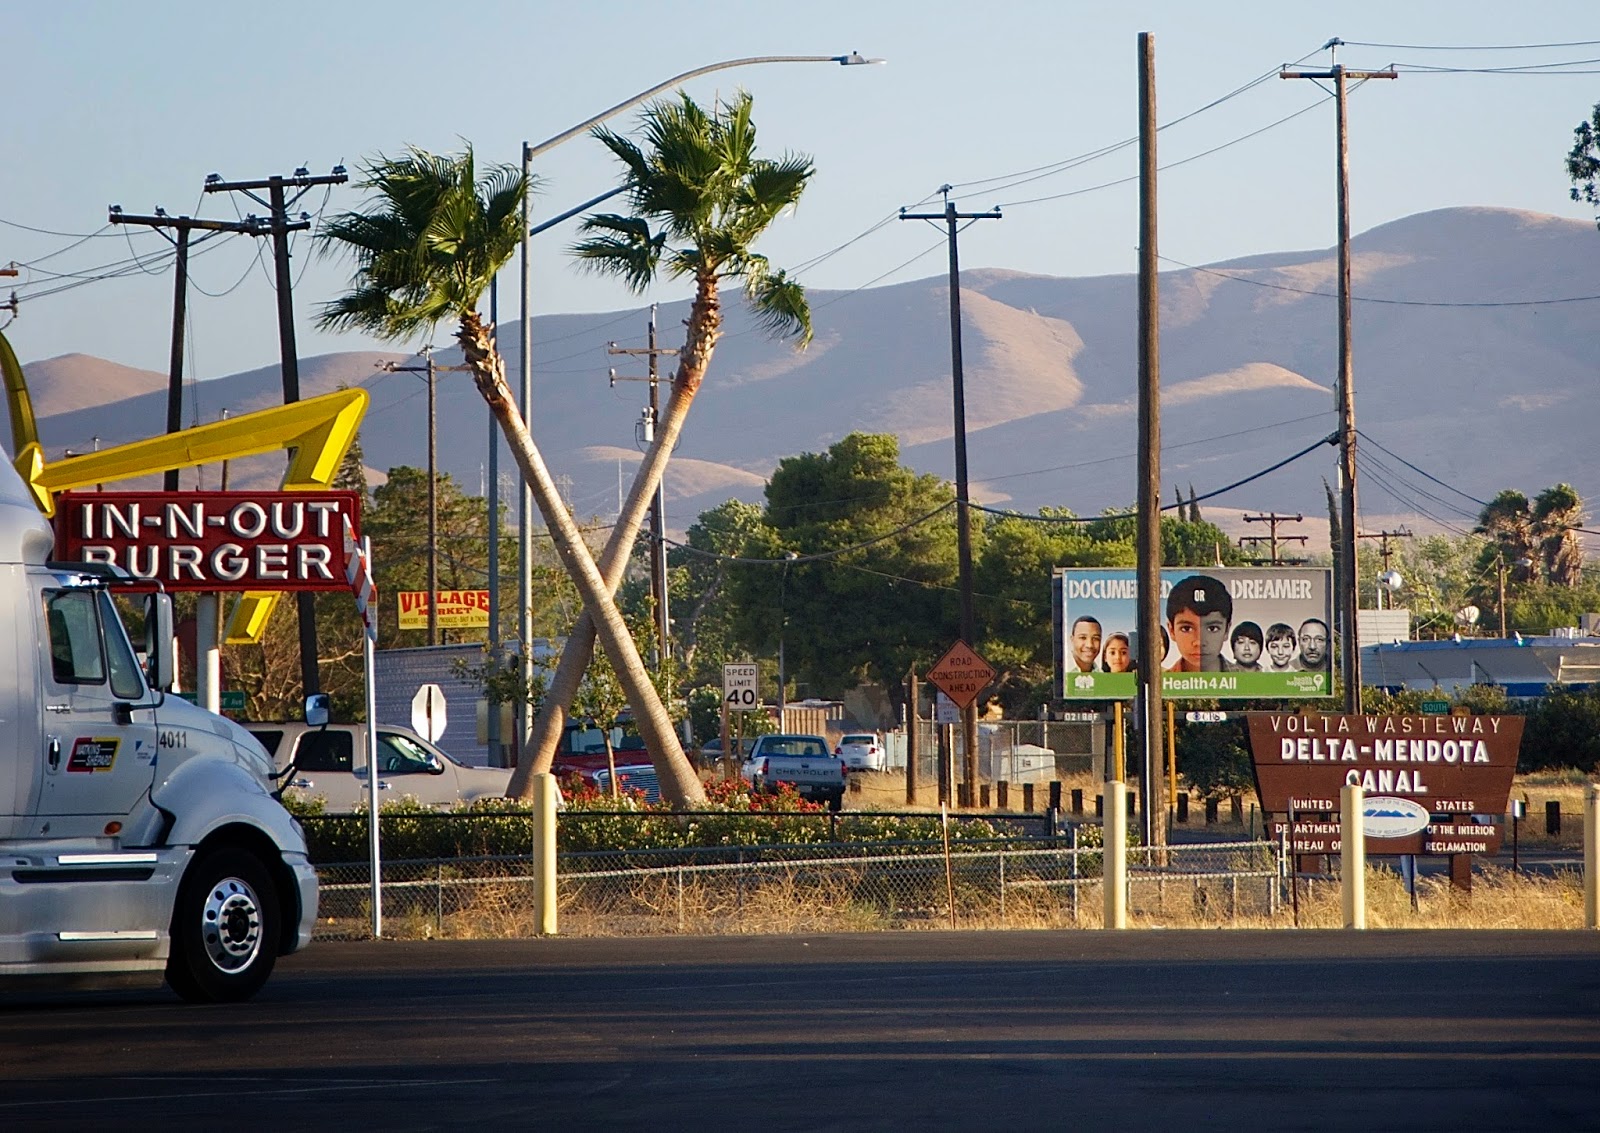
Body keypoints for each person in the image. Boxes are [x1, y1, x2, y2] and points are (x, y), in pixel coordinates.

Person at [1165, 574, 1232, 672]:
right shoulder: (1159, 684)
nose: (1199, 642)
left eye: (1212, 628)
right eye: (1186, 629)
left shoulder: (1247, 681)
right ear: (1171, 630)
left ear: (1227, 630)